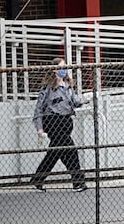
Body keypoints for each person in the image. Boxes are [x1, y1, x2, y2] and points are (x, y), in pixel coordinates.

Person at [30, 61, 88, 192]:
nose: (63, 70)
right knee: (71, 151)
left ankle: (37, 180)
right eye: (60, 67)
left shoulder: (67, 85)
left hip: (66, 121)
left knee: (55, 152)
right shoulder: (48, 88)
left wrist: (84, 99)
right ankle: (78, 182)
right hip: (53, 121)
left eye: (64, 67)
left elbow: (74, 102)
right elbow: (38, 109)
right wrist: (39, 128)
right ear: (54, 70)